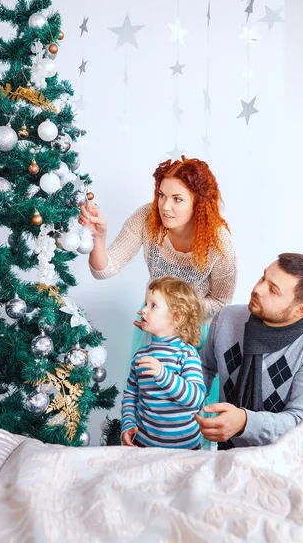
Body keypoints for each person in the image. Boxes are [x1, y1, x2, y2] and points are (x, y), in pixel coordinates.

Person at [79, 157, 237, 418]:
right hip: (154, 328)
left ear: (199, 202)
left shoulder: (219, 243)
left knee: (191, 414)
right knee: (149, 402)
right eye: (162, 195)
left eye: (177, 199)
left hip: (197, 333)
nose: (165, 206)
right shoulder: (147, 218)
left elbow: (221, 301)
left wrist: (175, 318)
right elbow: (104, 269)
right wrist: (98, 237)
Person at [196, 253, 303, 449]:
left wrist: (245, 422)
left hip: (283, 461)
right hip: (224, 454)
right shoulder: (226, 318)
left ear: (301, 310)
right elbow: (202, 369)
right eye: (263, 277)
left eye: (273, 290)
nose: (258, 289)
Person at [121, 276, 206, 449]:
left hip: (186, 450)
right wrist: (128, 424)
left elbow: (196, 398)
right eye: (145, 304)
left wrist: (164, 375)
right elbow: (130, 395)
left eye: (153, 306)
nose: (143, 310)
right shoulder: (140, 355)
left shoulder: (186, 354)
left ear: (176, 317)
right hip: (144, 445)